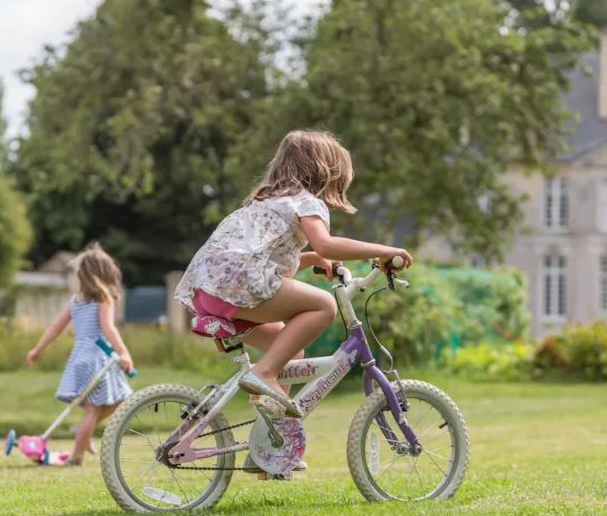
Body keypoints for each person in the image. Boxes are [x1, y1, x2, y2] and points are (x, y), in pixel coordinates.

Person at [175, 129, 412, 423]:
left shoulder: (265, 201)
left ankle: (271, 441)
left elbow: (256, 259)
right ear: (326, 171)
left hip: (207, 290)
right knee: (324, 305)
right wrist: (385, 251)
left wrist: (313, 259)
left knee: (291, 350)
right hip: (237, 286)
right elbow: (325, 242)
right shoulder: (306, 202)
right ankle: (264, 374)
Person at [27, 242, 134, 466]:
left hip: (80, 358)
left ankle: (81, 432)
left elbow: (56, 327)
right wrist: (124, 353)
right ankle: (77, 456)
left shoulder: (75, 301)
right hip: (97, 357)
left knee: (122, 398)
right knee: (94, 410)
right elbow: (107, 327)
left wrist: (37, 349)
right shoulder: (103, 296)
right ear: (104, 272)